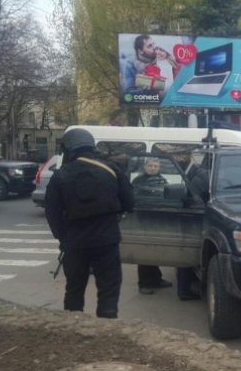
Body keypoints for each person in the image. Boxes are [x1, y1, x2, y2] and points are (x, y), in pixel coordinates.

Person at [45, 128, 134, 319]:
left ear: (69, 149)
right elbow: (130, 203)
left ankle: (73, 330)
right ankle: (106, 331)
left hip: (75, 243)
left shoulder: (59, 176)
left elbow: (52, 214)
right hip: (106, 240)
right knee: (108, 289)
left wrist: (64, 238)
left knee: (74, 290)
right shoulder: (111, 169)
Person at [131, 158, 174, 295]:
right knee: (145, 253)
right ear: (145, 167)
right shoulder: (138, 181)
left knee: (156, 251)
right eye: (151, 165)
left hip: (158, 218)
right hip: (144, 219)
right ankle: (143, 283)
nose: (153, 168)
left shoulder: (162, 180)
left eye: (156, 166)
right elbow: (134, 198)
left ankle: (156, 279)